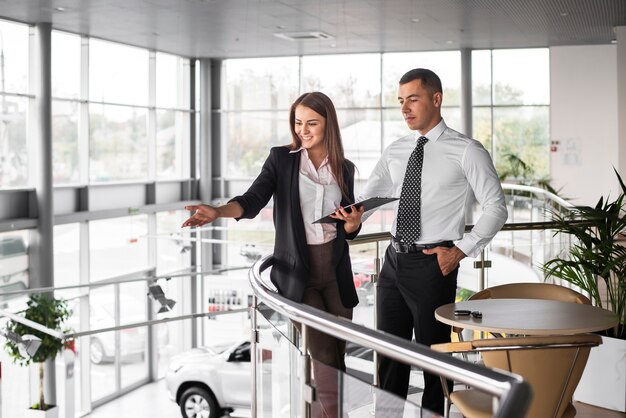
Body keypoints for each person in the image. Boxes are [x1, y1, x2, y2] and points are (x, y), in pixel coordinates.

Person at [182, 91, 364, 418]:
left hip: (336, 273)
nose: (303, 130)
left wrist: (352, 224)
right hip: (300, 275)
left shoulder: (344, 168)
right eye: (298, 123)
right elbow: (252, 200)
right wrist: (218, 212)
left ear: (329, 125)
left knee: (338, 358)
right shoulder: (282, 159)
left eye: (312, 123)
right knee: (324, 359)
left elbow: (349, 228)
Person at [356, 68, 508, 416]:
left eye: (413, 99)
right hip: (393, 262)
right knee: (390, 355)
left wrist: (460, 251)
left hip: (433, 263)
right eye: (400, 101)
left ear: (436, 99)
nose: (404, 108)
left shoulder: (466, 150)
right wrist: (354, 218)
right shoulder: (396, 150)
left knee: (433, 358)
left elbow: (497, 208)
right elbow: (371, 197)